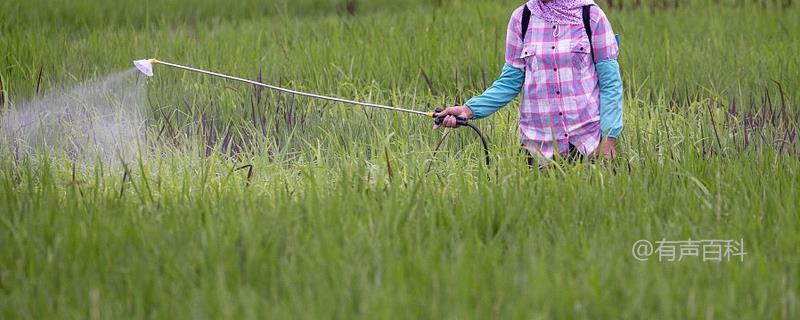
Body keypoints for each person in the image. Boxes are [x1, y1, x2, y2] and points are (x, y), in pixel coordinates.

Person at [435, 0, 623, 165]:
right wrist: (467, 110)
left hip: (586, 145)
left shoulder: (591, 16)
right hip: (537, 150)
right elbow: (509, 83)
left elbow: (610, 84)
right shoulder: (522, 19)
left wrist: (608, 140)